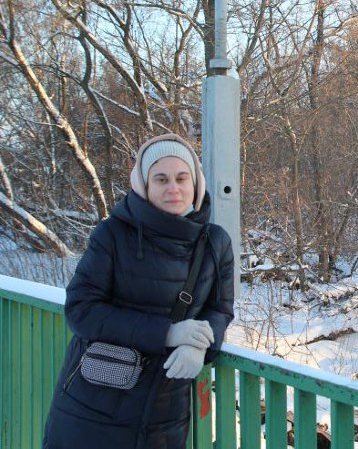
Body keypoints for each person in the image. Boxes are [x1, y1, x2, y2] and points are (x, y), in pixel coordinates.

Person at [43, 133, 235, 449]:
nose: (173, 188)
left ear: (196, 183)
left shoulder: (215, 242)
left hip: (164, 413)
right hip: (94, 406)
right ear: (144, 184)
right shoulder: (113, 233)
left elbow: (220, 309)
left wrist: (201, 345)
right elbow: (82, 309)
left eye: (181, 178)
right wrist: (168, 334)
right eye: (161, 179)